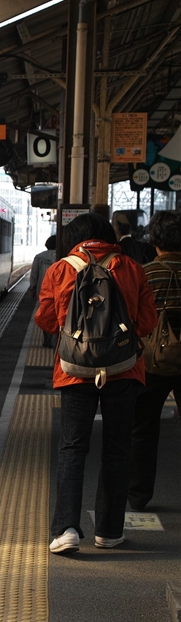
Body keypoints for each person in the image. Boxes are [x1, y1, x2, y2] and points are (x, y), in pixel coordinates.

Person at [35, 212, 156, 554]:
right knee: (117, 450)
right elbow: (147, 321)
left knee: (73, 449)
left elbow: (45, 319)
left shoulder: (61, 269)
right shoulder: (131, 268)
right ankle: (109, 531)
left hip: (74, 371)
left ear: (74, 238)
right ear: (107, 236)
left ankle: (66, 530)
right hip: (123, 370)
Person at [128, 210, 181, 511]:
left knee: (143, 431)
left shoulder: (144, 273)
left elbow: (133, 317)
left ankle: (138, 495)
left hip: (151, 363)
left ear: (154, 240)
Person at [28, 235, 58, 347]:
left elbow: (34, 275)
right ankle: (54, 339)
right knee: (57, 314)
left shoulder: (39, 257)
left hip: (43, 291)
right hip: (57, 290)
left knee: (45, 314)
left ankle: (47, 339)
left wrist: (32, 289)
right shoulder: (62, 256)